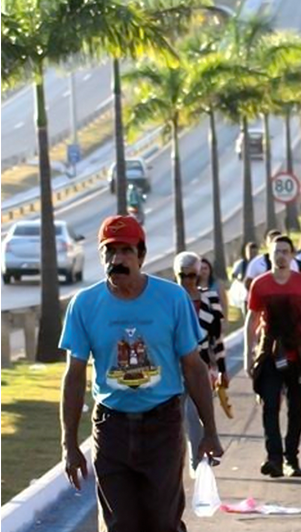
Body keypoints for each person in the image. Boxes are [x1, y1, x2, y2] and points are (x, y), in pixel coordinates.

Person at [59, 215, 222, 531]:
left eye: (126, 251)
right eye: (110, 251)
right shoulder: (84, 304)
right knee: (120, 524)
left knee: (162, 523)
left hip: (162, 426)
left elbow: (194, 368)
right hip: (111, 427)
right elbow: (74, 375)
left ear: (142, 256)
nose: (117, 259)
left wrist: (209, 430)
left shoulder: (172, 299)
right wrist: (69, 443)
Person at [244, 236, 301, 478]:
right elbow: (252, 319)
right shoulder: (260, 284)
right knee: (270, 405)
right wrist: (249, 354)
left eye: (285, 251)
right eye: (276, 251)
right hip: (270, 352)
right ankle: (274, 458)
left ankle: (292, 459)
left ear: (292, 255)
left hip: (297, 353)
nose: (281, 256)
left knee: (296, 408)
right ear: (270, 255)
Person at [174, 252, 227, 474]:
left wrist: (221, 368)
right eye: (182, 275)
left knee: (196, 413)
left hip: (201, 364)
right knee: (175, 417)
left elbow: (217, 336)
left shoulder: (210, 299)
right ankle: (174, 461)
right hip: (173, 366)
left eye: (192, 275)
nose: (187, 280)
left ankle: (199, 460)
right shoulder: (170, 299)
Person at [200, 257, 229, 321]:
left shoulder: (218, 285)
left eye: (205, 268)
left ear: (210, 269)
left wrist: (225, 320)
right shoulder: (195, 287)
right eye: (201, 269)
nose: (203, 271)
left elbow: (224, 304)